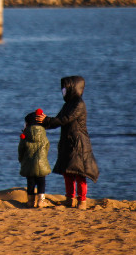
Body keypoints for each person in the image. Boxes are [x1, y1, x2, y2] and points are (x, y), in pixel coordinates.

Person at [35, 75, 99, 210]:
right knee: (68, 171)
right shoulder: (68, 104)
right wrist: (44, 122)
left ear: (73, 88)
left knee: (80, 173)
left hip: (78, 143)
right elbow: (58, 120)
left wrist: (47, 120)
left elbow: (65, 119)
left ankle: (82, 201)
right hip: (68, 142)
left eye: (65, 88)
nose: (63, 90)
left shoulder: (78, 104)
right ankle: (70, 199)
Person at [18, 108, 51, 208]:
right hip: (42, 163)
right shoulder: (43, 135)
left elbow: (21, 150)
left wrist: (21, 160)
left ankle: (30, 201)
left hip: (28, 164)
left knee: (30, 182)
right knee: (41, 182)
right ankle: (41, 201)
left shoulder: (25, 136)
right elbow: (47, 147)